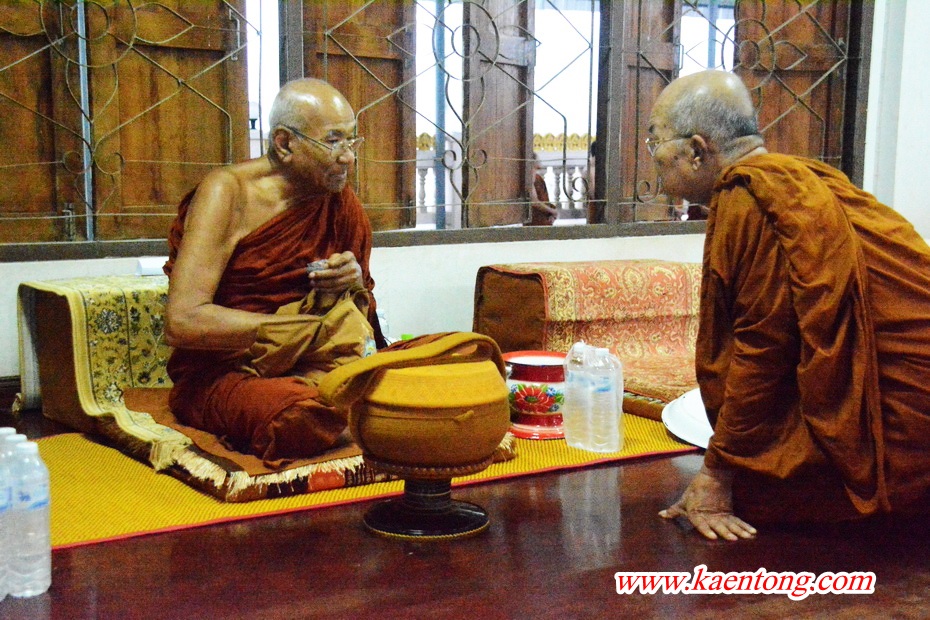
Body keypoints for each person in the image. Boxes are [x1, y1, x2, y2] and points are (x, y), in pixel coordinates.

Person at [649, 70, 930, 540]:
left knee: (771, 502)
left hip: (900, 423)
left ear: (696, 150)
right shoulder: (802, 177)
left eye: (655, 141)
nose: (654, 156)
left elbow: (763, 348)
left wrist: (716, 474)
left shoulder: (749, 197)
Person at [163, 78, 386, 466]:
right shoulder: (228, 193)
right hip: (229, 372)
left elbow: (363, 316)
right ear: (284, 143)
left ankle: (350, 402)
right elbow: (183, 322)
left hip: (316, 362)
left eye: (352, 141)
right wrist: (296, 330)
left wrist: (351, 283)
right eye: (334, 141)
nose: (349, 157)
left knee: (450, 363)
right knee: (302, 416)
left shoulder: (339, 201)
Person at [528, 153, 558, 226]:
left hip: (542, 218)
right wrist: (552, 211)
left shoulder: (538, 178)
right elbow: (533, 201)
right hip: (535, 220)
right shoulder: (530, 175)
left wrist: (551, 211)